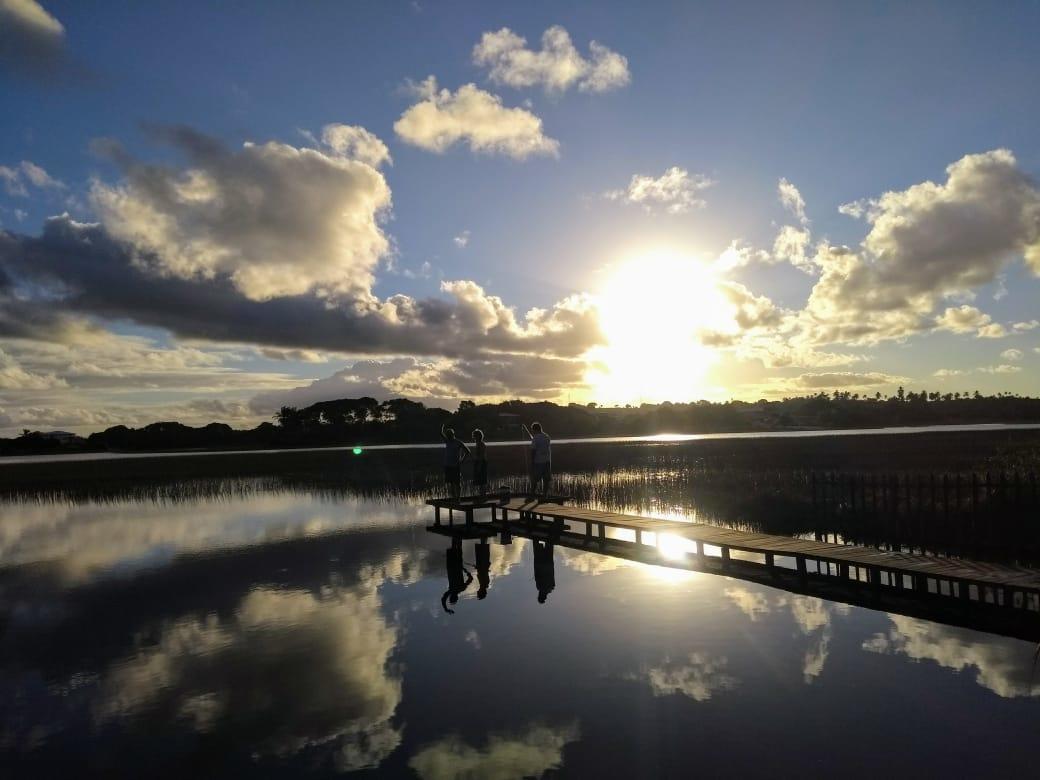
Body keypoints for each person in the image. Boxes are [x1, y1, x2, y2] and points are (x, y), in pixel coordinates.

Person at [441, 537, 472, 614]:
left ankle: (457, 536)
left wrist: (465, 570)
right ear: (453, 597)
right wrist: (446, 609)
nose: (451, 596)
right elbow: (443, 599)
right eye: (452, 597)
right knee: (455, 548)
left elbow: (470, 578)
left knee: (457, 548)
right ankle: (457, 536)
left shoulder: (459, 589)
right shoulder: (453, 590)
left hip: (456, 566)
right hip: (452, 566)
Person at [522, 422, 551, 496]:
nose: (532, 431)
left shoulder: (535, 438)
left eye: (532, 430)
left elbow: (533, 450)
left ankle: (532, 494)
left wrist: (532, 461)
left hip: (538, 461)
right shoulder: (547, 437)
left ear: (535, 429)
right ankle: (545, 495)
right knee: (546, 479)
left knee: (534, 479)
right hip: (547, 461)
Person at [440, 423, 470, 498]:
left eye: (449, 434)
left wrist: (462, 460)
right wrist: (441, 426)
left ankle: (458, 497)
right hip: (448, 465)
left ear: (453, 434)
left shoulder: (458, 442)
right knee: (450, 483)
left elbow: (467, 452)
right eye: (447, 435)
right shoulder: (447, 441)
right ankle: (453, 498)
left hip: (455, 465)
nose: (448, 436)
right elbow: (441, 433)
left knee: (457, 483)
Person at [533, 539, 555, 604]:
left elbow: (538, 576)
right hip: (543, 564)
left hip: (546, 564)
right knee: (547, 544)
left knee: (549, 544)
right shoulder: (540, 588)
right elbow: (538, 576)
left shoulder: (548, 588)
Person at [471, 428, 488, 495]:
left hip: (481, 463)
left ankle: (483, 495)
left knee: (482, 481)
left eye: (475, 435)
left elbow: (481, 456)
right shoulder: (478, 444)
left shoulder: (481, 444)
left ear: (479, 436)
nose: (474, 437)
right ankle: (481, 495)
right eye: (474, 435)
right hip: (479, 462)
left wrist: (479, 466)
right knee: (480, 481)